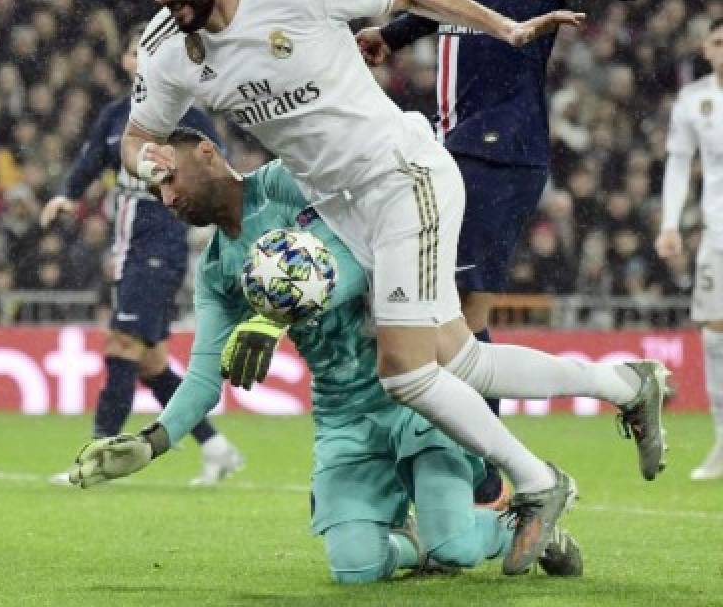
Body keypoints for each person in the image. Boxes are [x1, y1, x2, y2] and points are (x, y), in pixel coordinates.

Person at [120, 0, 670, 575]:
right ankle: (625, 383)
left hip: (401, 173)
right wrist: (146, 165)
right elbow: (135, 139)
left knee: (405, 371)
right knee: (459, 363)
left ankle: (536, 483)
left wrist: (506, 28)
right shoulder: (167, 51)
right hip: (348, 207)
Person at [67, 128, 582, 580]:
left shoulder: (286, 183)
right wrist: (150, 443)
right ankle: (414, 543)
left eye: (171, 179)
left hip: (412, 384)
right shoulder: (218, 271)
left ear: (207, 153)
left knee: (459, 547)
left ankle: (518, 521)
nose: (168, 195)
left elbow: (366, 251)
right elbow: (204, 378)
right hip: (343, 415)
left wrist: (277, 314)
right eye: (157, 190)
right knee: (354, 569)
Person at [354, 0, 648, 506]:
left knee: (462, 317)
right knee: (443, 321)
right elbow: (449, 6)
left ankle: (492, 481)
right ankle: (486, 471)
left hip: (503, 146)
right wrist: (392, 35)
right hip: (451, 139)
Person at [42, 28, 242, 486]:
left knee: (122, 345)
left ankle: (96, 458)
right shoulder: (116, 117)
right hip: (129, 246)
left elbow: (220, 170)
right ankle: (216, 447)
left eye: (145, 51)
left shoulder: (188, 117)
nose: (138, 58)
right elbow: (92, 160)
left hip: (162, 244)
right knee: (150, 361)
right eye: (133, 51)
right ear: (127, 62)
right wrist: (66, 196)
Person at [656, 18, 723, 481]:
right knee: (715, 336)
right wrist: (669, 223)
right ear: (705, 47)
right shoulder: (694, 101)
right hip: (718, 234)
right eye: (719, 42)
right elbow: (679, 166)